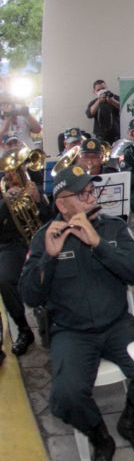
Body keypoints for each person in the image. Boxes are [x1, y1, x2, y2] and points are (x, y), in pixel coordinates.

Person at [19, 166, 134, 461]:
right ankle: (100, 437)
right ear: (61, 204)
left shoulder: (112, 228)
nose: (90, 197)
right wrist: (50, 256)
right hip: (72, 332)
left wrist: (98, 243)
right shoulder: (44, 237)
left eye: (92, 191)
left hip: (117, 324)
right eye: (82, 194)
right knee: (66, 396)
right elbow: (31, 296)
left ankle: (131, 421)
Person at [0, 149, 52, 356]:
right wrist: (5, 203)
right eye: (10, 171)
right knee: (3, 279)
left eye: (18, 169)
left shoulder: (35, 187)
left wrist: (39, 200)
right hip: (11, 246)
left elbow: (51, 220)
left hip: (39, 242)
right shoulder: (2, 192)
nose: (14, 175)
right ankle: (23, 328)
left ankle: (52, 321)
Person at [85, 79, 121, 144]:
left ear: (106, 88)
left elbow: (124, 109)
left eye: (103, 88)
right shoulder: (94, 102)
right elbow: (89, 114)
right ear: (94, 92)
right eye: (98, 90)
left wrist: (112, 101)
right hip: (101, 136)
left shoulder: (115, 98)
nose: (101, 91)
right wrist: (99, 101)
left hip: (116, 135)